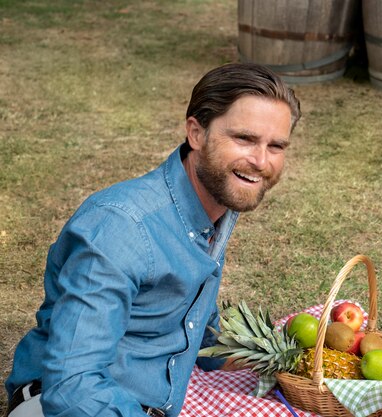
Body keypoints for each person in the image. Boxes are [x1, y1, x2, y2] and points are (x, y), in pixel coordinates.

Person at [4, 62, 301, 417]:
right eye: (244, 139)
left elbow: (188, 316)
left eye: (276, 146)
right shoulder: (122, 227)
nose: (260, 161)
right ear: (196, 133)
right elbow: (72, 388)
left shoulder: (217, 202)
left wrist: (286, 360)